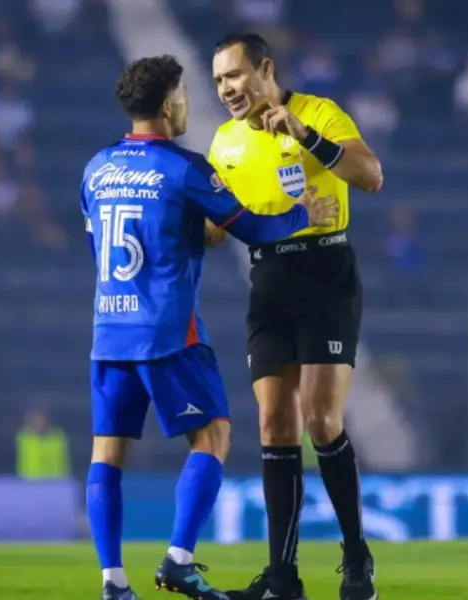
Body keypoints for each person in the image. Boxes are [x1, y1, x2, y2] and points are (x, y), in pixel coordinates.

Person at [81, 54, 337, 600]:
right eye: (185, 96)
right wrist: (302, 214)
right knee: (214, 435)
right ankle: (178, 560)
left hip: (109, 329)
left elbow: (100, 243)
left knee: (107, 453)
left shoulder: (96, 168)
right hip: (168, 330)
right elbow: (253, 230)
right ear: (168, 104)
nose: (188, 106)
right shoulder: (184, 168)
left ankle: (113, 582)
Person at [208, 33, 384, 600]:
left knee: (321, 419)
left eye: (234, 75)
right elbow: (213, 230)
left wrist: (305, 137)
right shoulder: (224, 142)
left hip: (325, 272)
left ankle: (356, 557)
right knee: (274, 424)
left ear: (264, 68)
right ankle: (283, 578)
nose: (226, 89)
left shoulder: (319, 113)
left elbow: (370, 176)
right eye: (218, 81)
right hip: (269, 280)